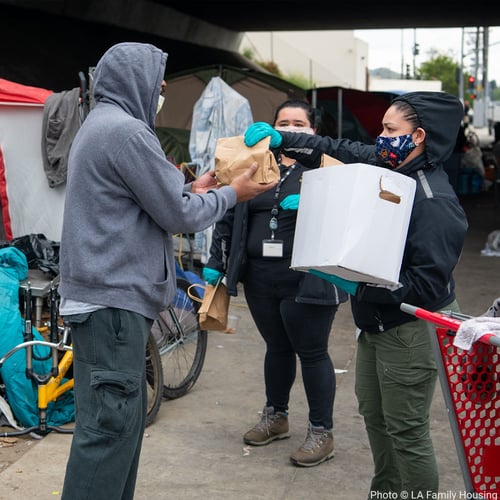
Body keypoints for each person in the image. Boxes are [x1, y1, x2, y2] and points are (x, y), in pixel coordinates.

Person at [57, 42, 276, 500]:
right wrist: (231, 194)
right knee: (108, 432)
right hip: (111, 305)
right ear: (134, 83)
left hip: (104, 302)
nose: (159, 94)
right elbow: (179, 215)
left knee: (119, 428)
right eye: (157, 85)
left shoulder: (102, 126)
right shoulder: (126, 132)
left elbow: (152, 199)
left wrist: (191, 187)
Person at [244, 91, 469, 497]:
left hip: (410, 329)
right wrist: (286, 142)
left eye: (389, 129)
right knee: (375, 418)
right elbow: (337, 149)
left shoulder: (433, 201)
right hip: (376, 324)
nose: (380, 138)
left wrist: (358, 285)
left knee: (406, 431)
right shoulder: (390, 169)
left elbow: (427, 286)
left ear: (417, 136)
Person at [202, 100, 348, 468]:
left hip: (309, 277)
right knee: (276, 347)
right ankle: (276, 416)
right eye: (283, 122)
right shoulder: (254, 162)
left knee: (312, 351)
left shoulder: (327, 166)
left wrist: (317, 201)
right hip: (260, 277)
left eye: (299, 123)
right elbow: (230, 210)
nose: (290, 127)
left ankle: (321, 432)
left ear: (313, 131)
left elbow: (351, 214)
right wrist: (218, 262)